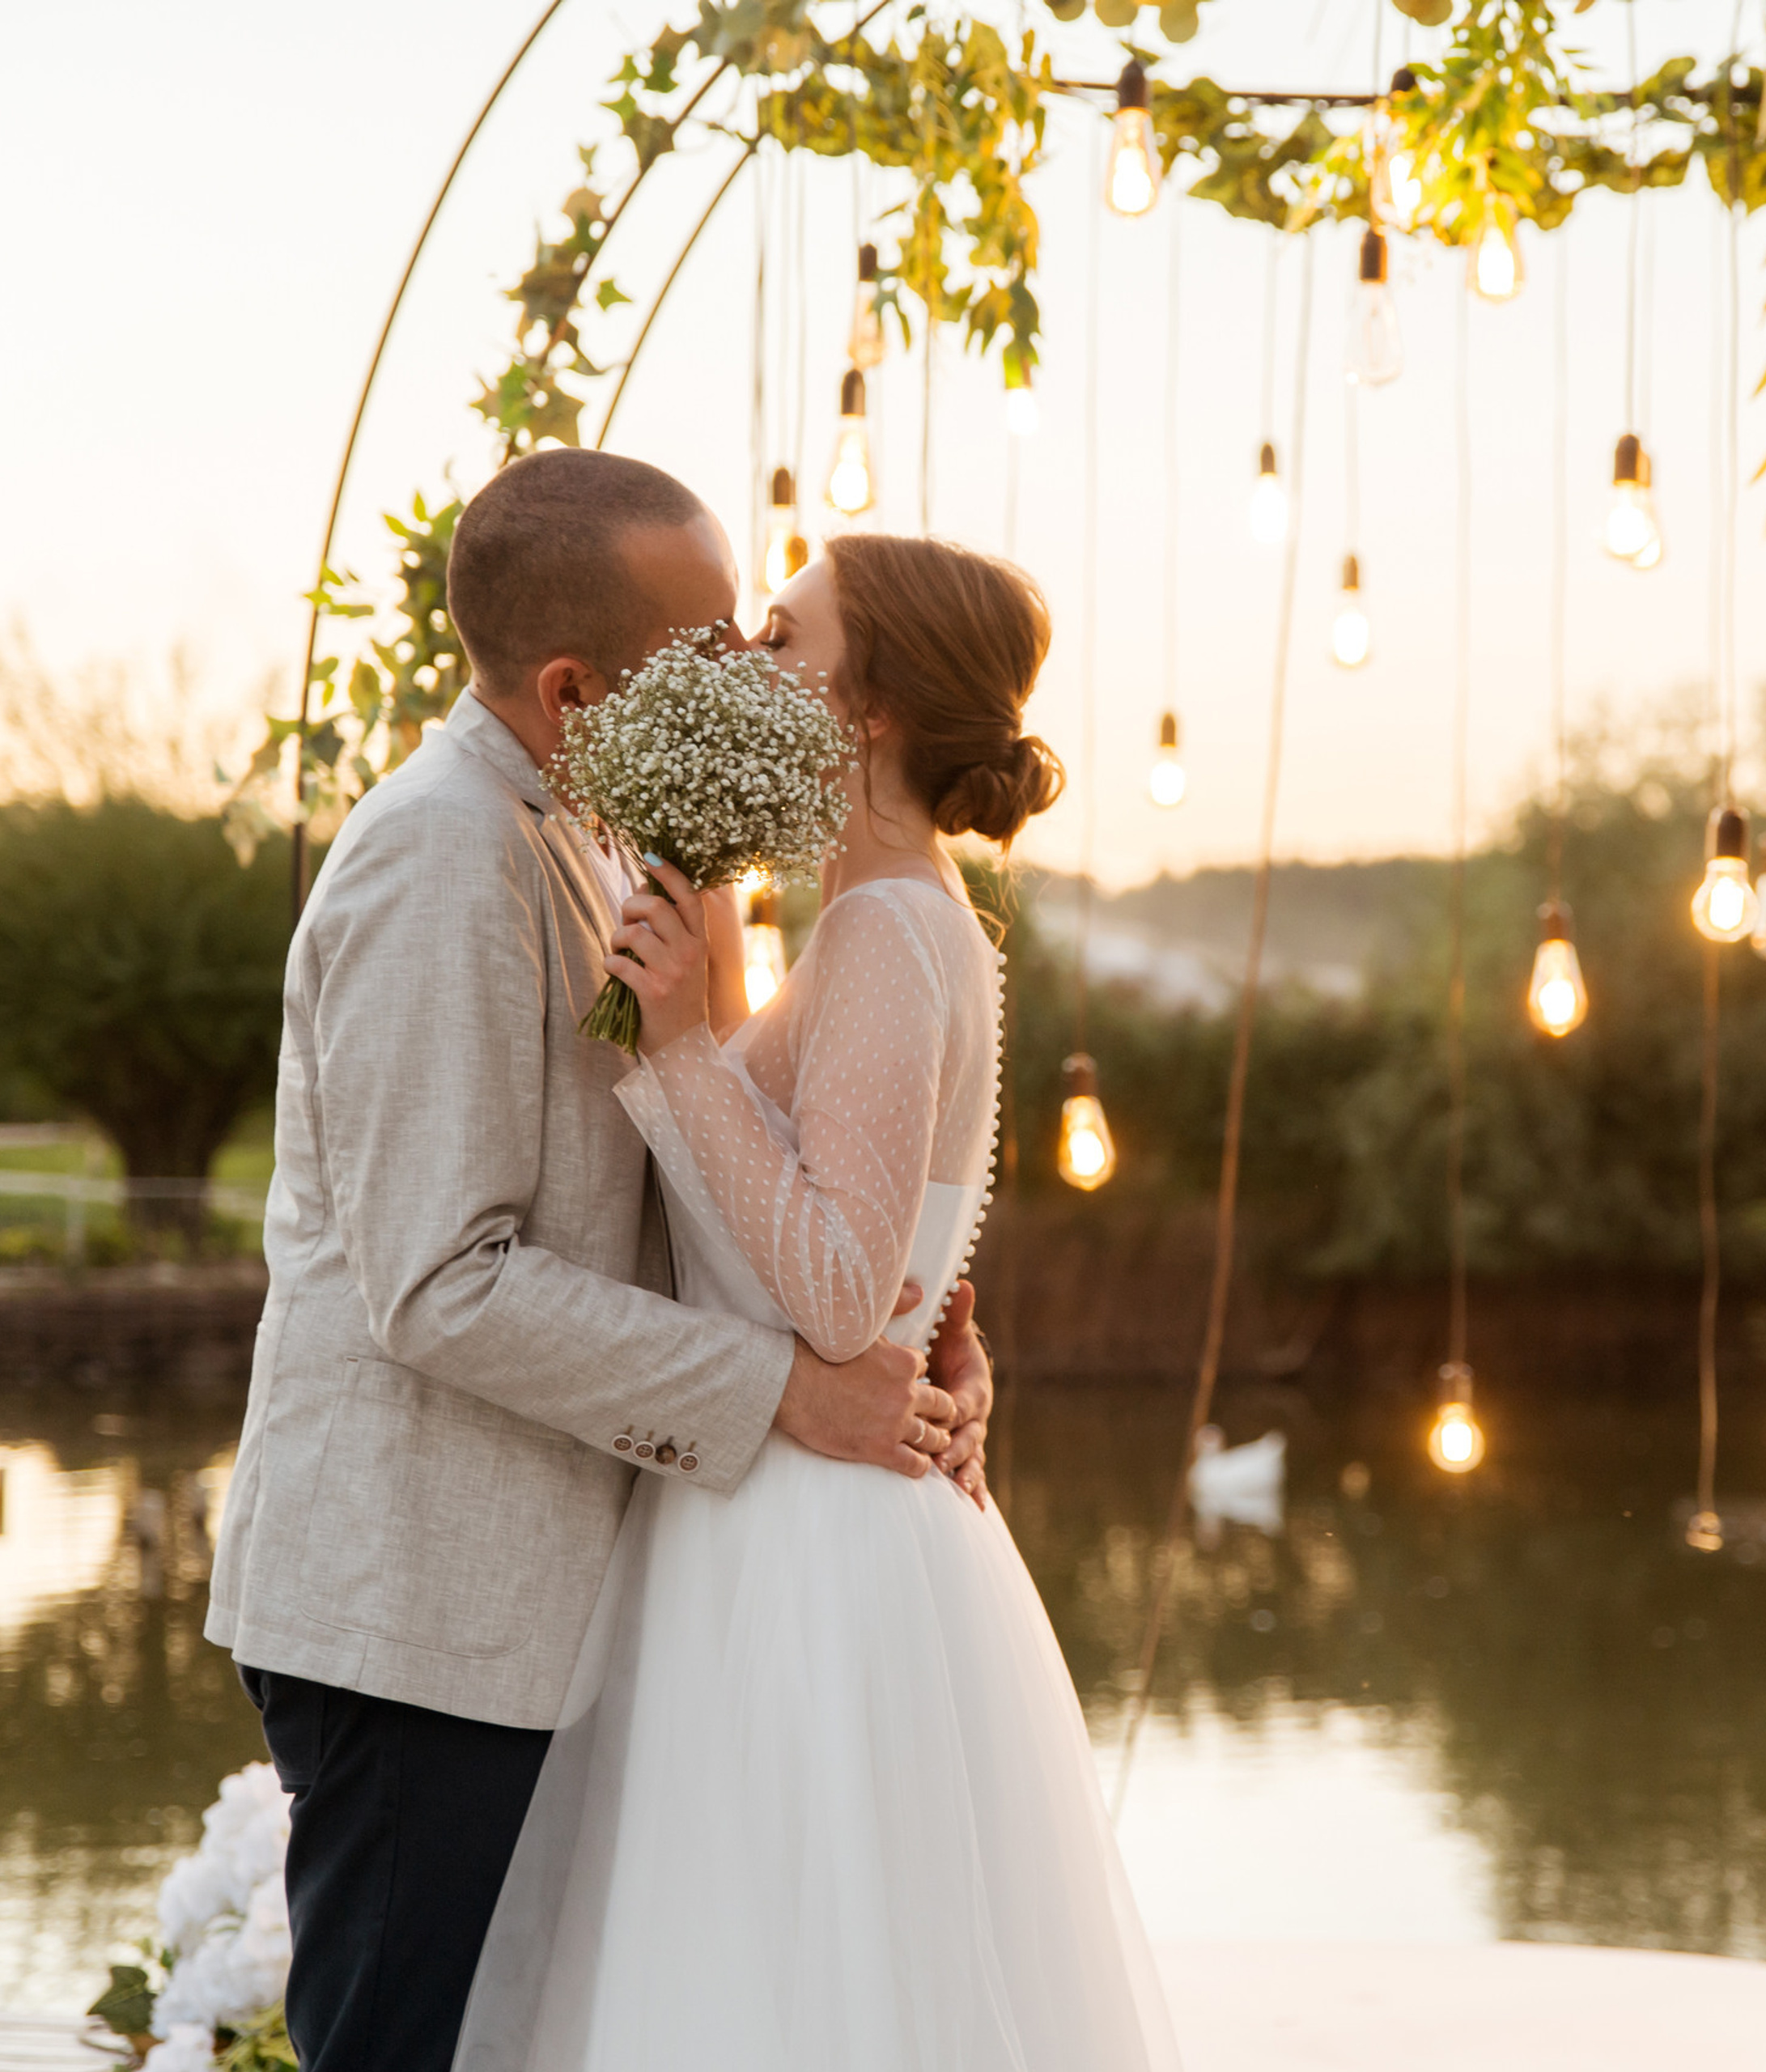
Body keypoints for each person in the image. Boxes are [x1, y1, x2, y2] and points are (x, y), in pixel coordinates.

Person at [204, 449, 994, 2072]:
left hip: (546, 1599)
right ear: (572, 688)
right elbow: (440, 1280)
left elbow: (715, 1185)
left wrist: (914, 1338)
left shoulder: (589, 842)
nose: (733, 676)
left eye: (755, 638)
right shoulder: (443, 856)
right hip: (424, 1601)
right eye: (703, 647)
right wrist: (788, 1386)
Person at [453, 532, 1180, 2069]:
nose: (746, 657)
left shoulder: (892, 933)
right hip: (763, 1505)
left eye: (785, 636)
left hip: (802, 1546)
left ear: (870, 709)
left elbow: (848, 1292)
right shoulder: (884, 920)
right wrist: (692, 1017)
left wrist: (683, 1047)